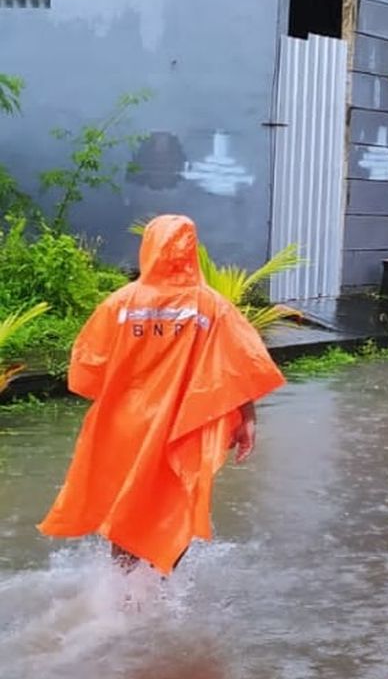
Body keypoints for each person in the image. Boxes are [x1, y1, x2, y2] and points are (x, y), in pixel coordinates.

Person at [38, 215, 285, 575]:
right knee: (176, 502)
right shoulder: (212, 307)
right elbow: (239, 367)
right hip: (183, 423)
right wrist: (246, 419)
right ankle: (160, 589)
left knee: (126, 500)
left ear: (148, 247)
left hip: (127, 423)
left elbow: (86, 371)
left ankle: (121, 593)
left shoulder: (119, 303)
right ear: (192, 250)